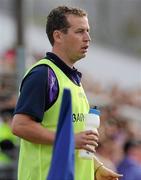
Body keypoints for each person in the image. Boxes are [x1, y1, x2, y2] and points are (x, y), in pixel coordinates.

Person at [12, 6, 122, 180]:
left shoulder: (72, 79)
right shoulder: (43, 74)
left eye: (88, 31)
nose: (88, 38)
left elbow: (75, 138)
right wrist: (70, 139)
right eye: (79, 32)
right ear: (58, 36)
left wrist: (94, 166)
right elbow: (20, 126)